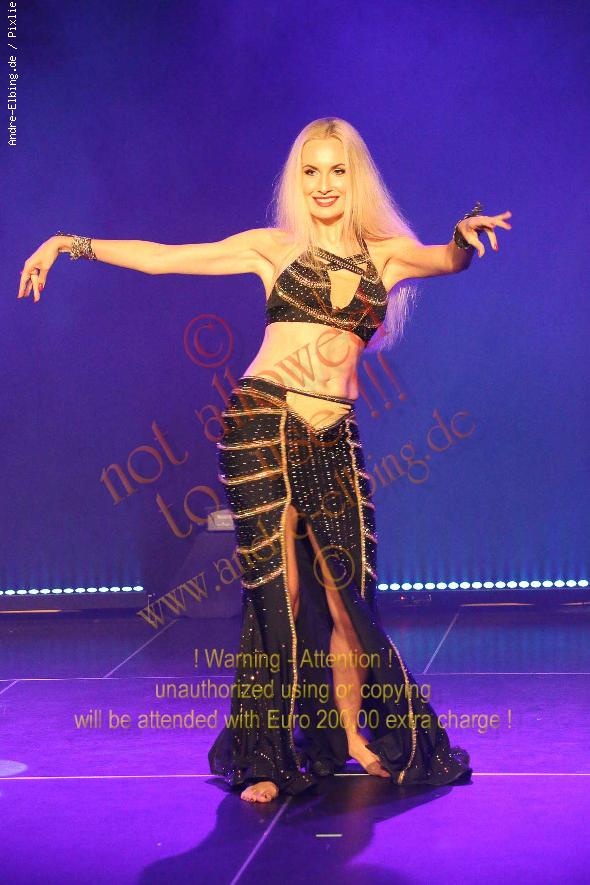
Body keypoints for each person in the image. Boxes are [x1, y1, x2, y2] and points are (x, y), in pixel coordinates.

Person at [17, 117, 512, 804]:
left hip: (335, 435)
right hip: (262, 424)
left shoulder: (387, 256)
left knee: (350, 601)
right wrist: (67, 243)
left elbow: (448, 260)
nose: (324, 185)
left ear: (356, 178)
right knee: (278, 596)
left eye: (336, 170)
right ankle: (266, 757)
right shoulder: (272, 249)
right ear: (297, 181)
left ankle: (350, 736)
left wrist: (461, 236)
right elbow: (165, 258)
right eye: (311, 172)